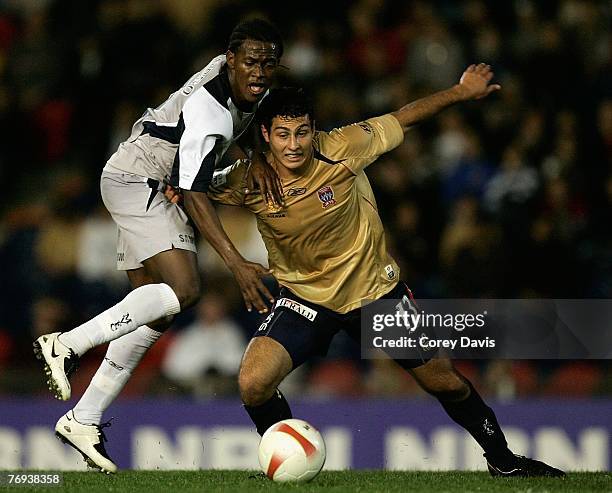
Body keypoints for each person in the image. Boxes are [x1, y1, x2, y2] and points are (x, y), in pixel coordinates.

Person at [207, 71, 565, 477]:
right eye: (284, 134)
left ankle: (503, 461)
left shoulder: (343, 146)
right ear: (267, 135)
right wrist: (178, 189)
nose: (294, 145)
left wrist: (461, 92)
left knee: (443, 380)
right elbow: (195, 188)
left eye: (302, 133)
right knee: (253, 383)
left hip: (375, 292)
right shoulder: (248, 178)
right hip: (304, 298)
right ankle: (291, 462)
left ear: (314, 130)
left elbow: (405, 117)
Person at [33, 19, 284, 473]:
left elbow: (230, 130)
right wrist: (236, 264)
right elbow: (193, 192)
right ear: (230, 60)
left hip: (147, 175)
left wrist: (254, 154)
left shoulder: (242, 86)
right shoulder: (212, 109)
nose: (260, 72)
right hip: (139, 178)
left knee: (157, 309)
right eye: (251, 61)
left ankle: (83, 419)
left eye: (269, 63)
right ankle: (67, 344)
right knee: (186, 289)